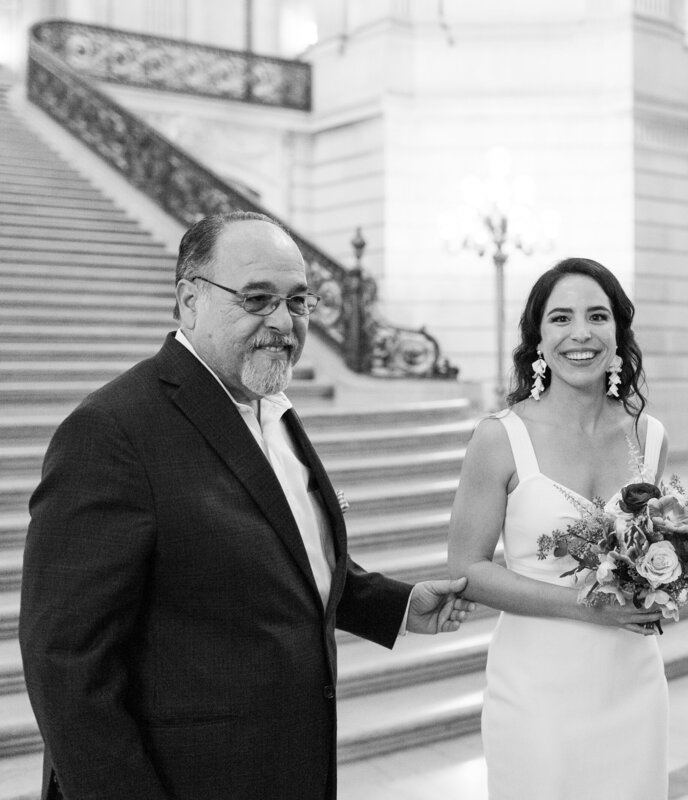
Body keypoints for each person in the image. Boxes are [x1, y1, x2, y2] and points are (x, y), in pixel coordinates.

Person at [19, 211, 474, 800]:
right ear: (188, 301)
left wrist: (395, 603)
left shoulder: (268, 405)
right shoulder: (112, 432)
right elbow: (64, 663)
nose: (283, 322)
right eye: (257, 299)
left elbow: (282, 554)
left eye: (298, 301)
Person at [448, 257, 670, 799]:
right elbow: (467, 571)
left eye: (597, 316)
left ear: (618, 332)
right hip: (536, 688)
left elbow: (653, 555)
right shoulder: (500, 437)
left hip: (632, 681)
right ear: (539, 338)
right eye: (561, 318)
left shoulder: (650, 436)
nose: (580, 334)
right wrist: (588, 606)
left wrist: (674, 582)